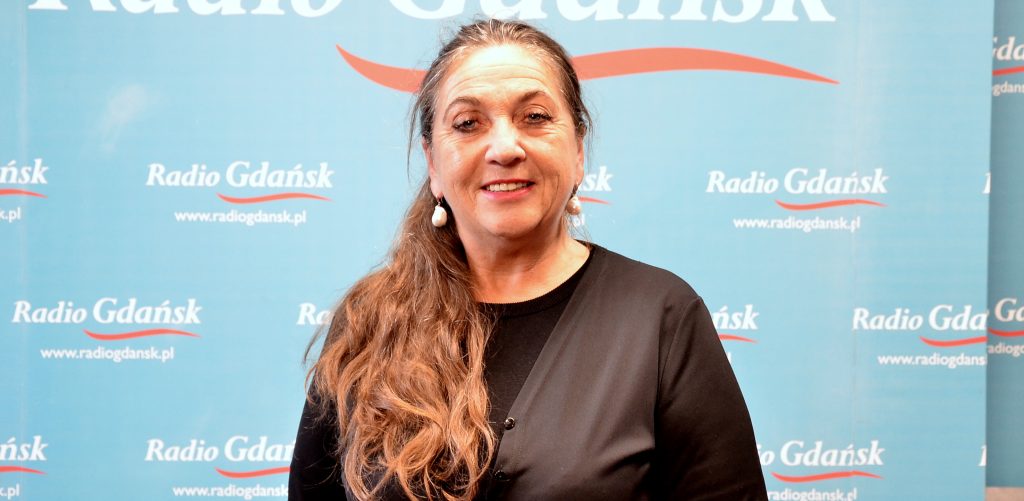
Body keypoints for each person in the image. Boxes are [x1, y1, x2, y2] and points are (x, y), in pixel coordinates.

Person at [289, 19, 767, 501]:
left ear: (578, 152)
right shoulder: (368, 323)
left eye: (535, 117)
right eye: (468, 123)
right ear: (433, 163)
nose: (504, 148)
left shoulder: (660, 317)